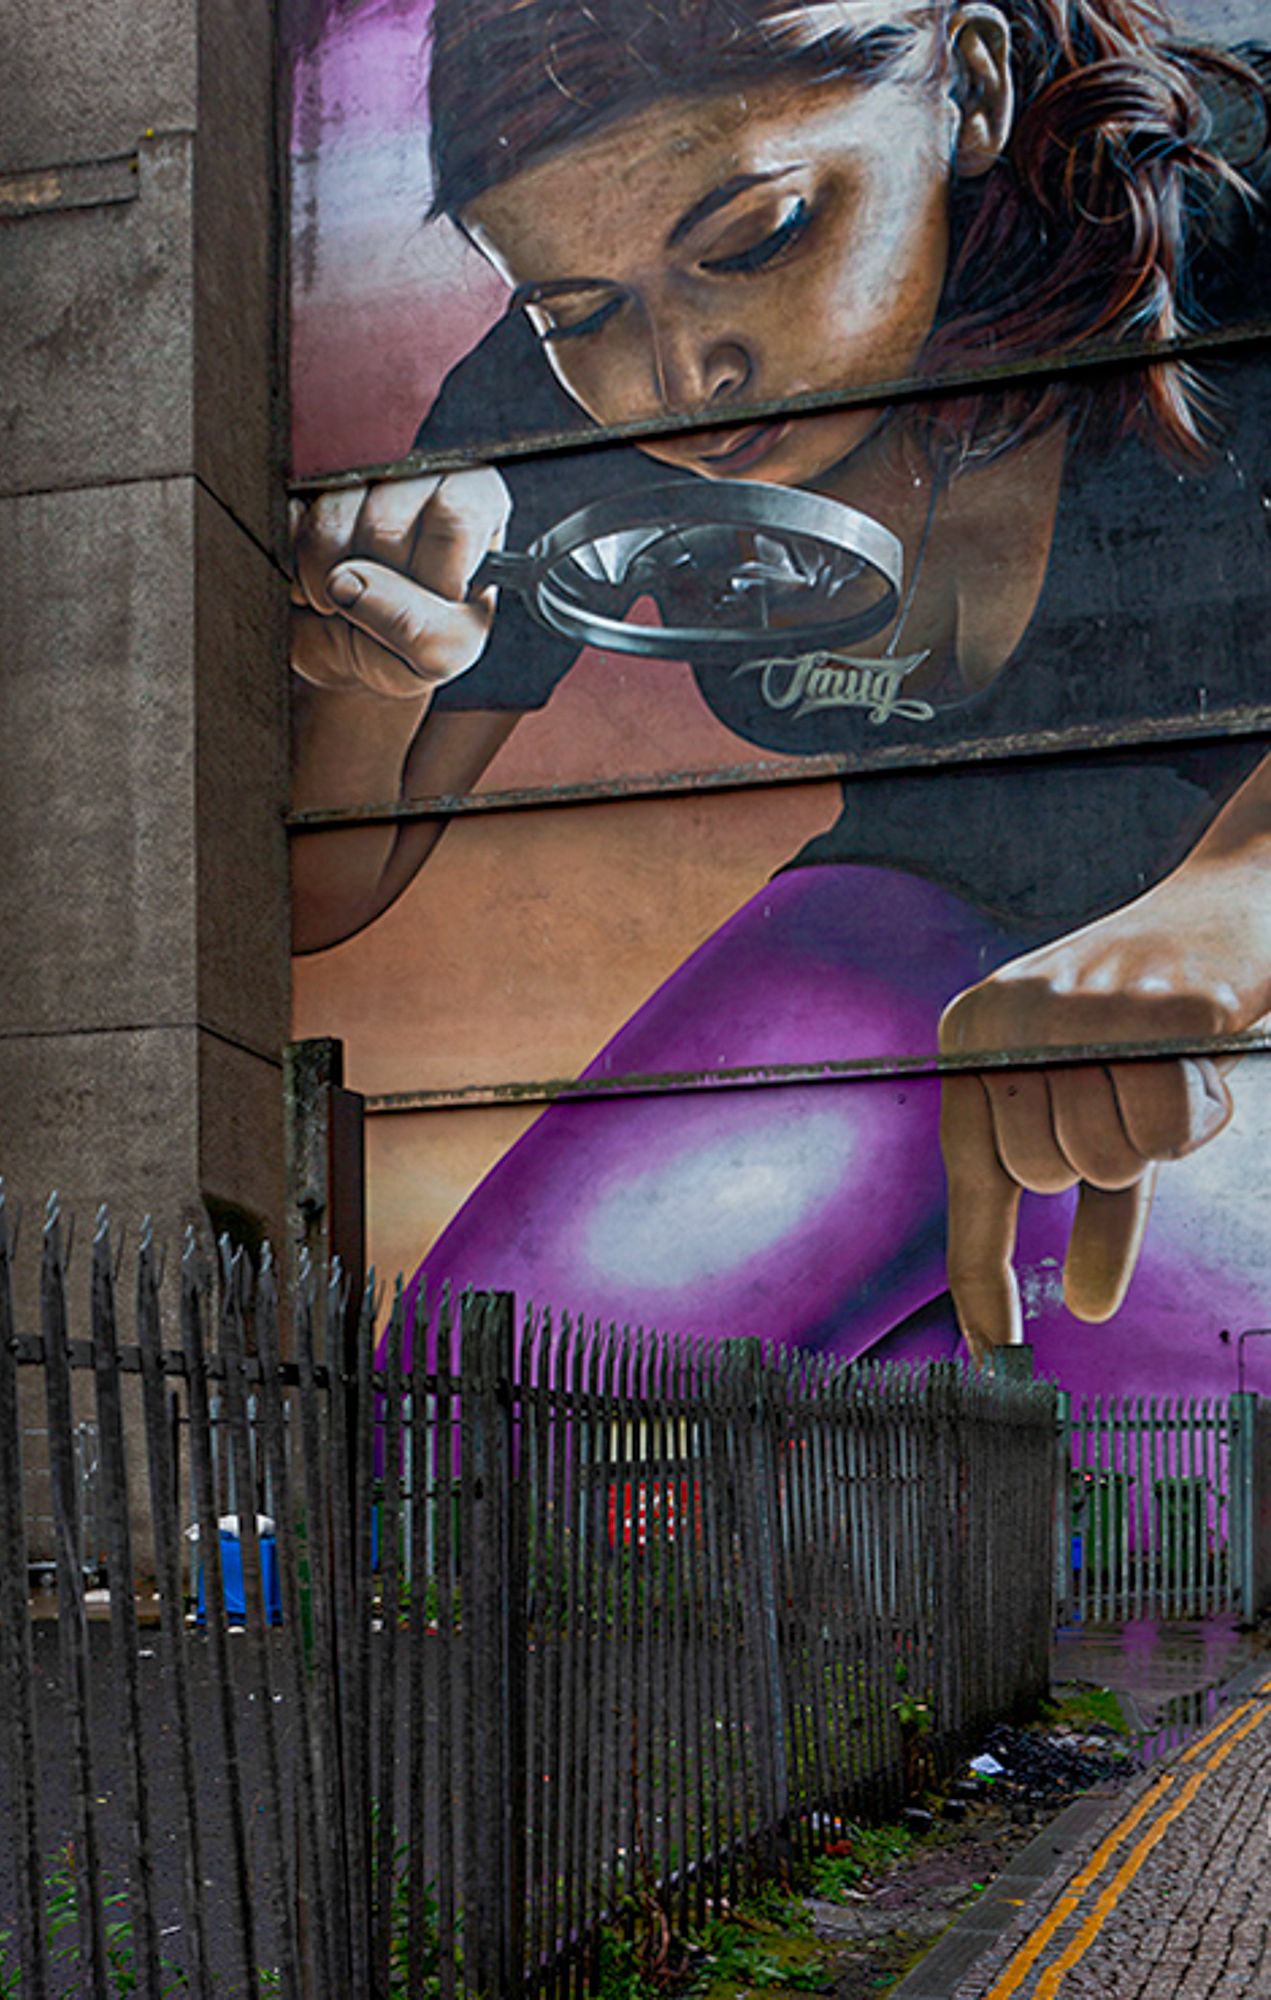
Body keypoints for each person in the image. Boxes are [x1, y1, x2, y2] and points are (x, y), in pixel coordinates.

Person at [290, 0, 1271, 1374]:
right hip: (902, 918)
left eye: (756, 241)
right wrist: (370, 671)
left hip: (1235, 950)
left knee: (1158, 1436)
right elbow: (327, 891)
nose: (681, 379)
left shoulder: (1235, 208)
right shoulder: (542, 402)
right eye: (581, 312)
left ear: (971, 85)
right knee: (475, 1409)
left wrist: (1232, 903)